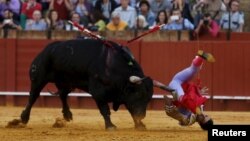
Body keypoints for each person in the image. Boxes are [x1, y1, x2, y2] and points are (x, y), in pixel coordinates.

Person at [159, 50, 215, 130]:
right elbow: (193, 94)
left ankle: (200, 58)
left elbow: (173, 113)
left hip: (175, 87)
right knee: (193, 70)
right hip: (180, 80)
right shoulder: (200, 107)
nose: (203, 115)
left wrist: (169, 105)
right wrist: (199, 92)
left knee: (183, 99)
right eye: (206, 115)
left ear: (200, 123)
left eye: (203, 118)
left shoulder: (188, 119)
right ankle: (201, 57)